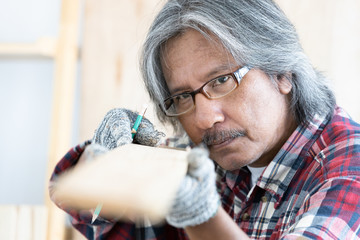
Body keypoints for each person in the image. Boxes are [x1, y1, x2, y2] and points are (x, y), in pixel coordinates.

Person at [49, 0, 360, 239]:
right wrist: (106, 160)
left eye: (222, 80)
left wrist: (200, 215)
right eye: (183, 97)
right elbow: (94, 217)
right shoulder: (211, 157)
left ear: (282, 72)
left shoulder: (349, 170)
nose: (204, 118)